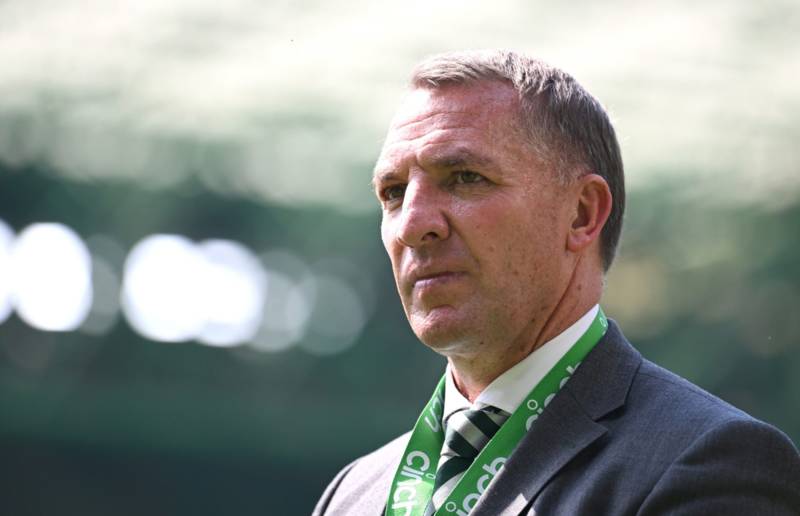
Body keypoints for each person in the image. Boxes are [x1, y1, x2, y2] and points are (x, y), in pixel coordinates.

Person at [312, 50, 800, 516]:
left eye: (464, 177)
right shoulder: (351, 495)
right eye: (394, 192)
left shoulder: (710, 466)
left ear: (582, 214)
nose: (412, 224)